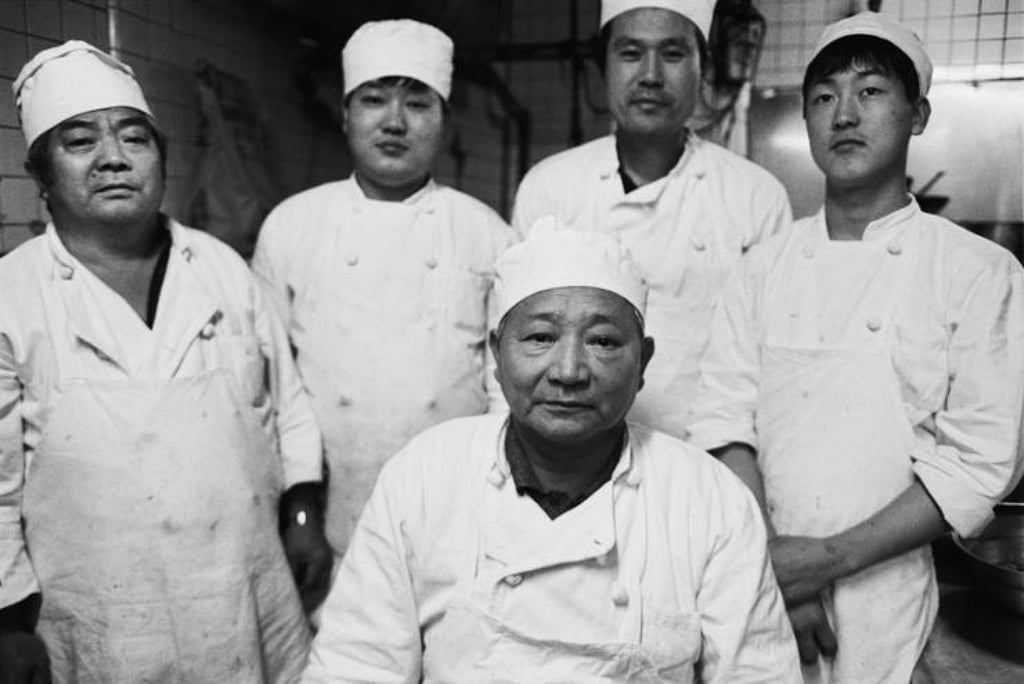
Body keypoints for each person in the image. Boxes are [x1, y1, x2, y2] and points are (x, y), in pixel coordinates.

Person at [301, 223, 802, 682]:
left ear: (643, 361)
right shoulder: (427, 475)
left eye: (603, 341)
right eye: (540, 337)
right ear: (497, 354)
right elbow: (355, 667)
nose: (569, 371)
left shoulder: (707, 498)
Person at [687, 12, 1024, 682]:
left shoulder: (979, 273)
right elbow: (724, 421)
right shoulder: (761, 269)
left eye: (870, 91)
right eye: (823, 97)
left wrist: (829, 560)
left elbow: (979, 461)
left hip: (890, 599)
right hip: (761, 585)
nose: (844, 114)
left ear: (919, 114)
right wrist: (778, 564)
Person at [0, 41, 331, 683]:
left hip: (245, 589)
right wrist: (7, 622)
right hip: (101, 618)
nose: (113, 159)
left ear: (160, 159)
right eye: (79, 142)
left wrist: (301, 514)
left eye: (134, 137)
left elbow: (288, 403)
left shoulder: (220, 268)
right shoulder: (10, 296)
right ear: (40, 174)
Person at [253, 19, 517, 563]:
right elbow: (271, 386)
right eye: (374, 100)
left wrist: (496, 501)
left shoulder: (486, 232)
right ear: (345, 114)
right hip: (327, 508)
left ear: (445, 119)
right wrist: (299, 514)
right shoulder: (291, 225)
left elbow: (504, 385)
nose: (394, 122)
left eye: (418, 105)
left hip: (458, 501)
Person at [511, 0, 792, 438]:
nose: (651, 75)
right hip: (571, 456)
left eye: (674, 54)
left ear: (704, 68)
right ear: (603, 69)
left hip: (710, 452)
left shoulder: (756, 197)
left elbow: (766, 362)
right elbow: (518, 343)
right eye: (630, 53)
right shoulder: (549, 188)